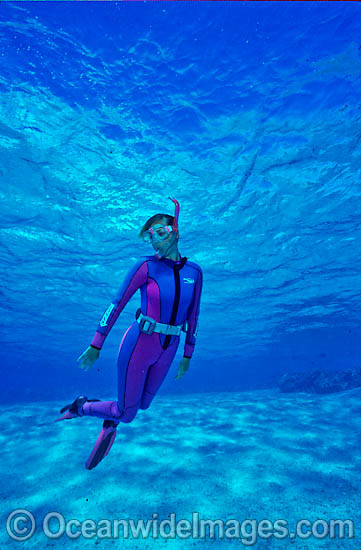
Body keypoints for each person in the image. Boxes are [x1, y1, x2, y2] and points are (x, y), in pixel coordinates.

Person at [56, 197, 203, 470]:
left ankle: (110, 415)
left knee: (143, 405)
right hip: (139, 345)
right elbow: (116, 303)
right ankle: (81, 407)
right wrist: (96, 344)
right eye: (150, 235)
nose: (154, 240)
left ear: (175, 231)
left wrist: (187, 354)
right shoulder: (144, 267)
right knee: (128, 413)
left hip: (169, 350)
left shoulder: (195, 272)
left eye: (160, 232)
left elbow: (193, 316)